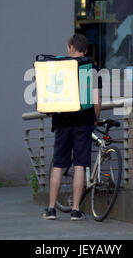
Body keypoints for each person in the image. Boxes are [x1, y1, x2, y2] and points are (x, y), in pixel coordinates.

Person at [43, 34, 102, 221]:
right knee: (80, 165)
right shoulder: (91, 69)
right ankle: (75, 210)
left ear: (70, 47)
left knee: (59, 165)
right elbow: (97, 100)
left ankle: (51, 208)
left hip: (62, 121)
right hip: (83, 122)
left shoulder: (59, 67)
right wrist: (95, 118)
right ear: (85, 50)